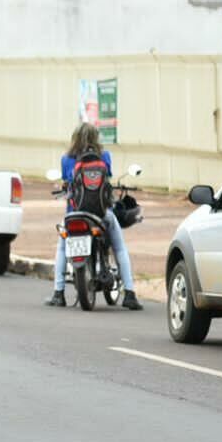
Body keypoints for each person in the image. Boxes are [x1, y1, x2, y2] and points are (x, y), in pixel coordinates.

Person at [46, 122, 142, 310]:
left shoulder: (66, 159)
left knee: (62, 249)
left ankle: (58, 293)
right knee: (119, 247)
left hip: (74, 214)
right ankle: (129, 293)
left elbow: (68, 184)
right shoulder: (104, 156)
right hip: (101, 213)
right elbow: (106, 181)